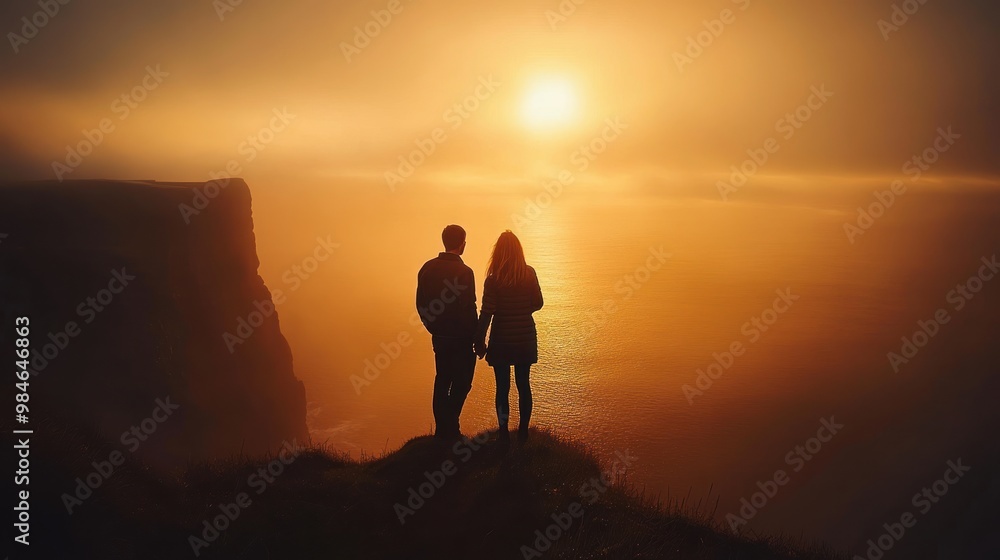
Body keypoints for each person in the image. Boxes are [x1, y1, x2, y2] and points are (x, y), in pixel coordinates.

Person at [475, 230, 543, 442]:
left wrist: (479, 342)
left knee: (502, 387)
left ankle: (503, 433)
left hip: (502, 340)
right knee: (524, 384)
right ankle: (523, 431)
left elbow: (486, 313)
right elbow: (538, 303)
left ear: (498, 253)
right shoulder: (529, 273)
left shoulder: (493, 281)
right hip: (525, 339)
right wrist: (522, 309)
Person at [416, 225, 479, 439]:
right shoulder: (465, 272)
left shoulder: (427, 268)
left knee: (442, 379)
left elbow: (421, 303)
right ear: (462, 244)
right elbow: (469, 308)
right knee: (462, 382)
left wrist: (431, 326)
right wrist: (477, 337)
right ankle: (451, 426)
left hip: (440, 337)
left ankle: (444, 429)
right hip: (462, 339)